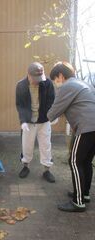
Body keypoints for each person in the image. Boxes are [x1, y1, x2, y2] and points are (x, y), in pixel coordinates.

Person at [47, 61, 95, 212]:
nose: (56, 83)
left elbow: (55, 110)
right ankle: (84, 194)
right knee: (86, 161)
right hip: (92, 126)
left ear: (60, 76)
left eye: (55, 79)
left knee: (74, 161)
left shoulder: (68, 86)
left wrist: (48, 116)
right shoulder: (83, 83)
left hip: (87, 126)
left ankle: (78, 202)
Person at [16, 62, 55, 182]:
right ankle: (25, 166)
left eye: (40, 78)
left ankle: (47, 170)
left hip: (44, 121)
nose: (38, 81)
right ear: (29, 74)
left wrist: (52, 115)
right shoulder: (21, 85)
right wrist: (23, 121)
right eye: (35, 78)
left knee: (46, 145)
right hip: (28, 121)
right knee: (26, 145)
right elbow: (20, 105)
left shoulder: (47, 83)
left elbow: (51, 100)